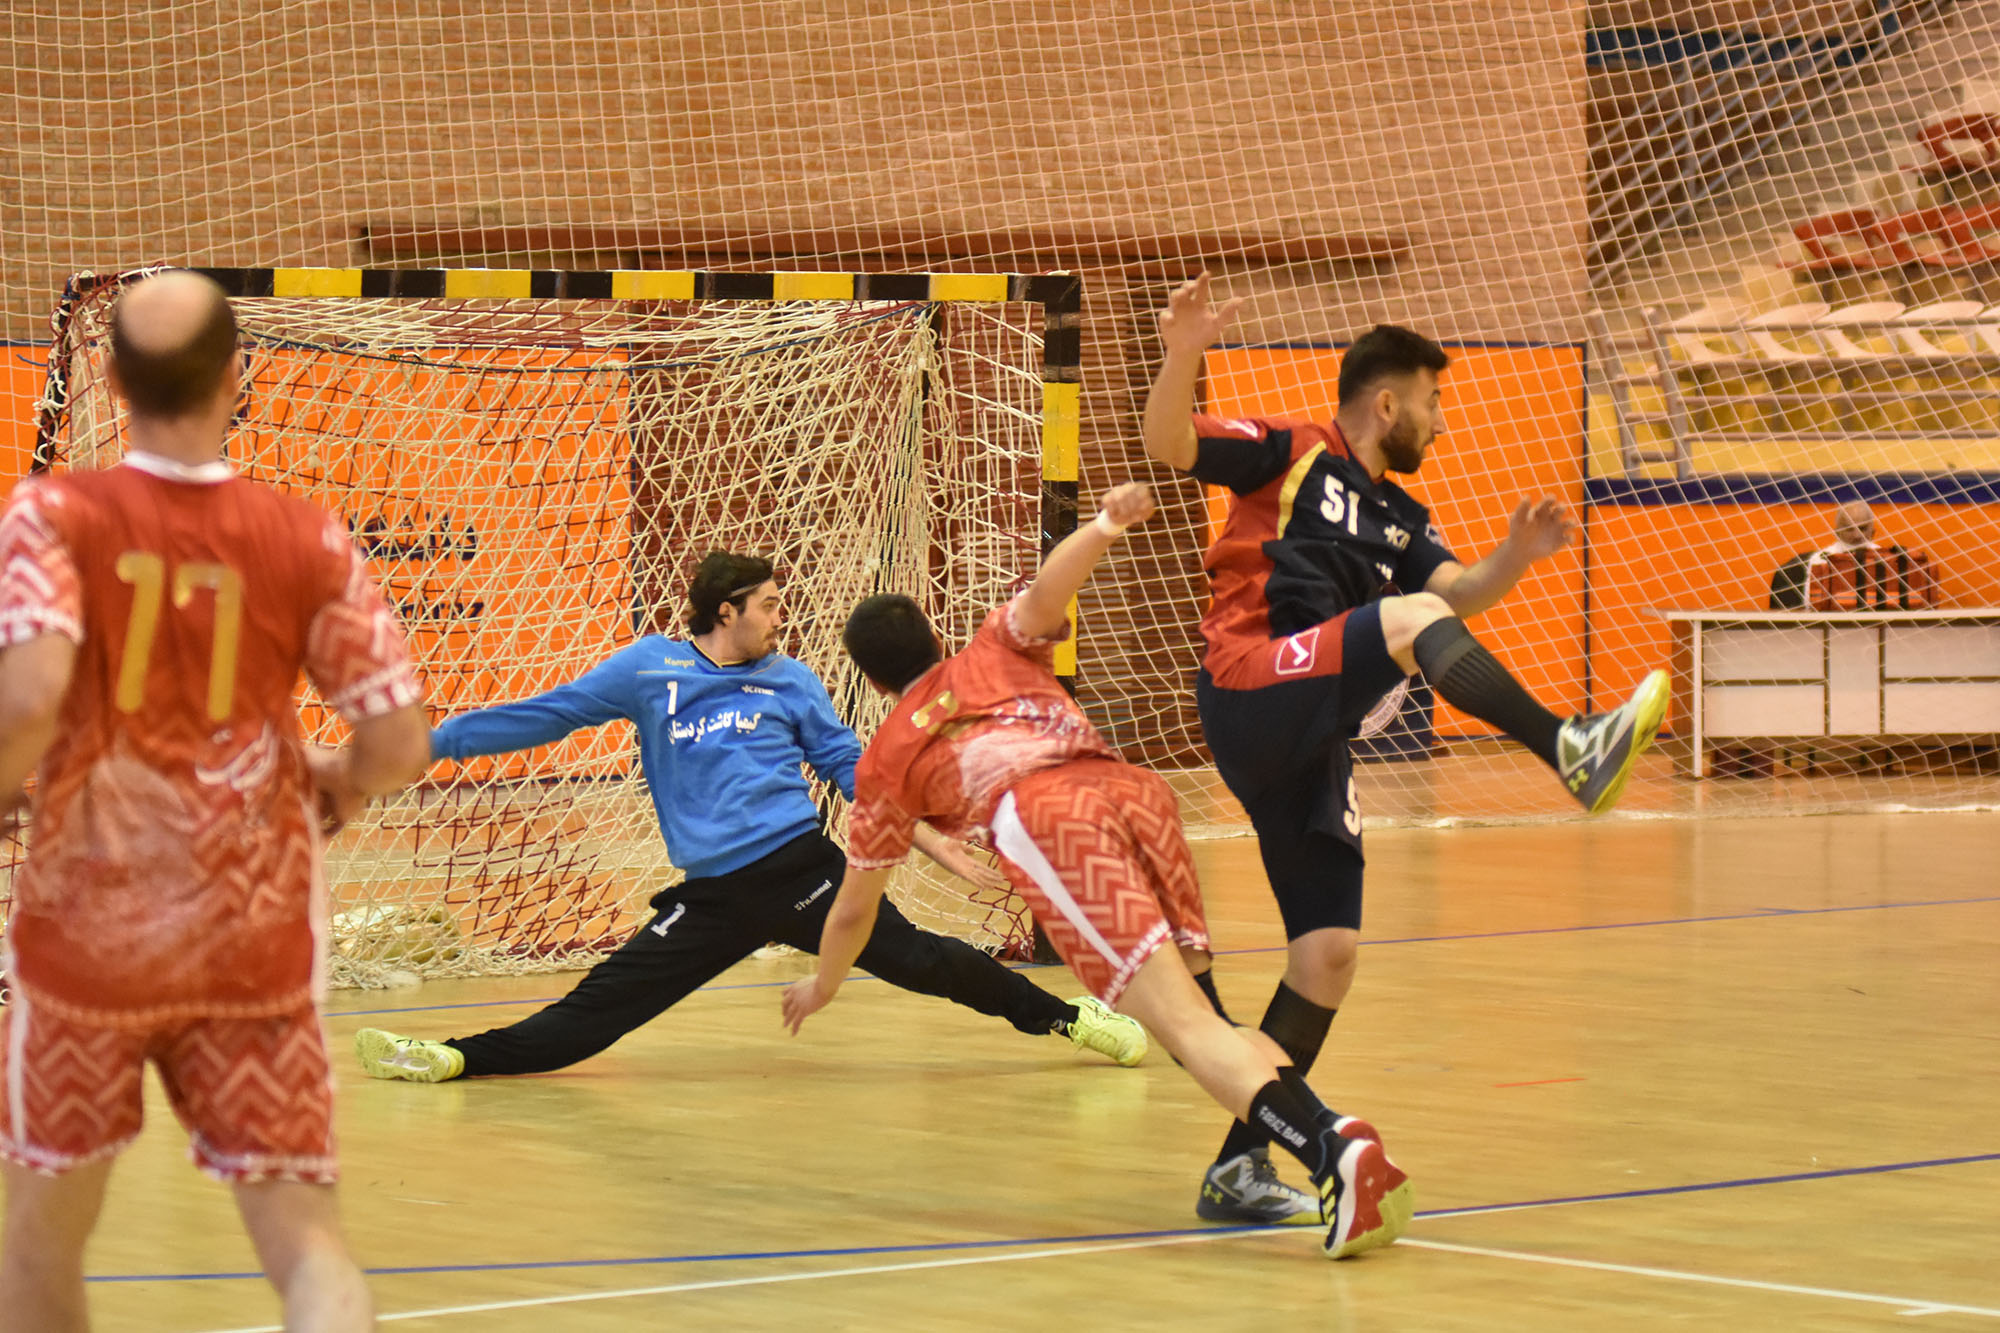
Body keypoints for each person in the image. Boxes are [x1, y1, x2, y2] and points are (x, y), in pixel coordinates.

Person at [1139, 273, 1670, 1225]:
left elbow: (1458, 593)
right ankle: (1569, 746)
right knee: (1408, 616)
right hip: (1249, 678)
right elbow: (1168, 444)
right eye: (1432, 402)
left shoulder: (1401, 517)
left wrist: (1516, 560)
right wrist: (1183, 353)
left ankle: (1239, 1168)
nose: (1441, 421)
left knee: (1329, 954)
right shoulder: (1292, 450)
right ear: (1387, 404)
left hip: (1313, 733)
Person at [784, 482, 1411, 1259]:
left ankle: (1331, 1148)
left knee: (1185, 1026)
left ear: (874, 683)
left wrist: (824, 984)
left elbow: (853, 909)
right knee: (1202, 1018)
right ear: (934, 635)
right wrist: (1106, 523)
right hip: (1136, 796)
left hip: (1055, 826)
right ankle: (1260, 1162)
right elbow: (1051, 590)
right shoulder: (993, 646)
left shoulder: (886, 758)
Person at [0, 271, 432, 1332]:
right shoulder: (306, 535)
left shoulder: (52, 514)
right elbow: (398, 742)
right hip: (252, 941)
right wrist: (343, 781)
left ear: (111, 380)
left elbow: (31, 696)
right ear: (238, 377)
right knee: (308, 1246)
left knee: (40, 1245)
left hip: (87, 939)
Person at [353, 551, 1146, 1083]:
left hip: (802, 871)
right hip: (714, 896)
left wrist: (928, 836)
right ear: (726, 610)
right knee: (600, 1008)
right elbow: (548, 715)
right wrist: (430, 744)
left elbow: (851, 767)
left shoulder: (790, 679)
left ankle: (1069, 1018)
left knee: (928, 961)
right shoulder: (649, 667)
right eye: (767, 605)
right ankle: (451, 1057)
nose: (778, 617)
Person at [1769, 500, 1936, 610]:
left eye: (1862, 528)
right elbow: (1808, 609)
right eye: (1849, 529)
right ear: (1837, 532)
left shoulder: (1891, 561)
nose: (1857, 535)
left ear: (1873, 531)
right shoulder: (1819, 561)